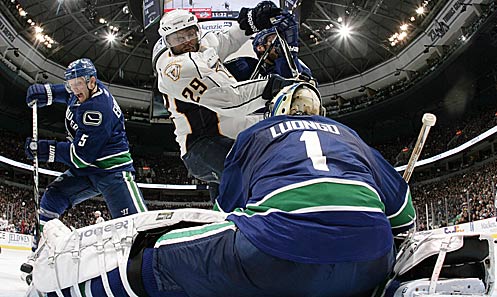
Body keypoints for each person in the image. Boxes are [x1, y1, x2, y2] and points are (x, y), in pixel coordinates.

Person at [30, 82, 415, 297]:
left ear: (278, 110)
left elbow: (231, 208)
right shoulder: (353, 140)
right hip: (369, 265)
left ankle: (59, 289)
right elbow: (404, 218)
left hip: (276, 255)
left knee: (154, 254)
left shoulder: (258, 133)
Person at [154, 2, 298, 200]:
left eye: (190, 33)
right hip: (202, 145)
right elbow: (231, 101)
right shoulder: (177, 71)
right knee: (256, 173)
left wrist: (252, 21)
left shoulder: (201, 46)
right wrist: (271, 87)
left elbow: (227, 39)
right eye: (179, 38)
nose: (187, 41)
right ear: (168, 42)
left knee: (225, 206)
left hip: (230, 135)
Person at [22, 58, 147, 268]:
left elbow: (81, 157)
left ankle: (149, 268)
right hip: (86, 170)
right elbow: (66, 91)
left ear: (91, 82)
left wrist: (46, 150)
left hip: (111, 171)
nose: (73, 88)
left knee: (138, 226)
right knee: (52, 198)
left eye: (78, 83)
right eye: (71, 83)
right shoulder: (81, 90)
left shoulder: (97, 109)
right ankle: (41, 253)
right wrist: (46, 92)